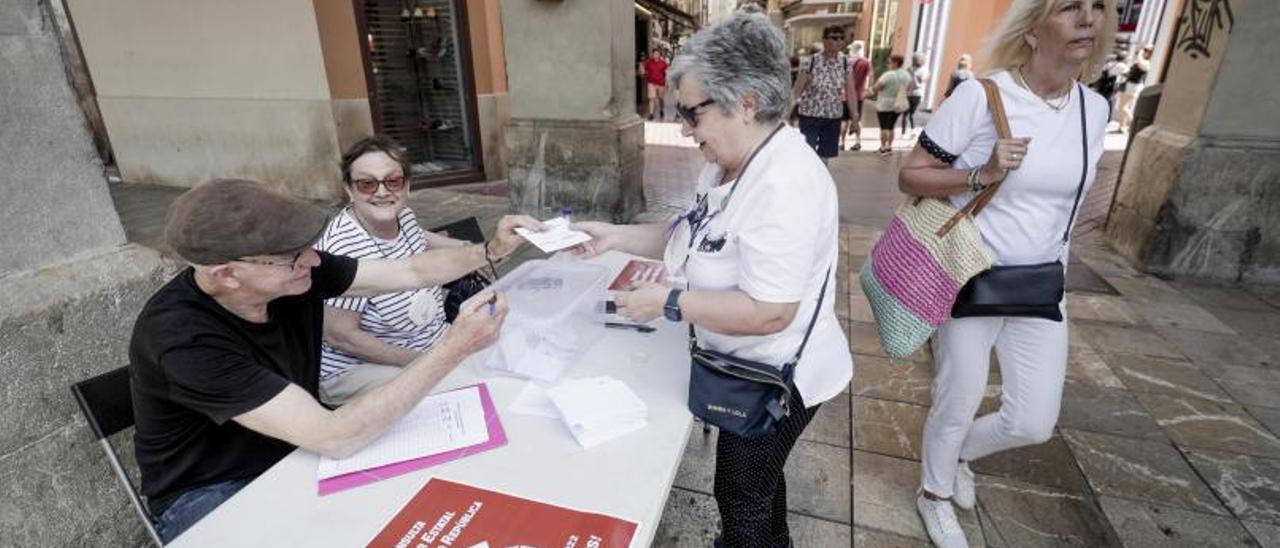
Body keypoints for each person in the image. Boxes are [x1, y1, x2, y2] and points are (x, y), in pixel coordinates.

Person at [571, 12, 852, 547]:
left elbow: (772, 311)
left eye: (692, 113)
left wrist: (670, 301)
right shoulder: (730, 164)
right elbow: (688, 233)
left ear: (745, 102)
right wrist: (611, 235)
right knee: (760, 481)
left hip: (780, 374)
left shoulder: (784, 182)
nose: (684, 129)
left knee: (740, 492)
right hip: (748, 364)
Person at [129, 178, 542, 542]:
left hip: (296, 451)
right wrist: (453, 347)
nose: (312, 259)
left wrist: (491, 250)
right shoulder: (181, 337)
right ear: (225, 275)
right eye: (293, 257)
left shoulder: (296, 271)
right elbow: (335, 435)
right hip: (211, 491)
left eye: (307, 249)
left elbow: (412, 271)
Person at [897, 0, 1113, 546]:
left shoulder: (1095, 109)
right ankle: (934, 492)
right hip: (970, 273)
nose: (1088, 18)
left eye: (1098, 7)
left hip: (1040, 283)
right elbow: (912, 175)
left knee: (1034, 421)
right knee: (959, 394)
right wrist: (981, 173)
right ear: (1035, 30)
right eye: (1070, 8)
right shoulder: (982, 95)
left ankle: (959, 456)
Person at [314, 136, 475, 406]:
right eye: (367, 183)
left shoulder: (403, 216)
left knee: (497, 352)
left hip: (427, 340)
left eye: (393, 181)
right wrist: (428, 363)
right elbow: (342, 337)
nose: (381, 192)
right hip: (358, 368)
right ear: (349, 190)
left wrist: (476, 249)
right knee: (458, 395)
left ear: (407, 185)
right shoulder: (343, 248)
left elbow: (422, 237)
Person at [791, 25, 859, 164]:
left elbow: (851, 92)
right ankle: (808, 180)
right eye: (834, 38)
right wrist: (784, 114)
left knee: (824, 156)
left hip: (832, 116)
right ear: (824, 40)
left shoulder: (846, 62)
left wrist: (855, 119)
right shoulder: (811, 62)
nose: (839, 41)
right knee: (808, 152)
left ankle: (819, 181)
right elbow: (797, 90)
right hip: (810, 115)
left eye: (841, 38)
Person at [869, 53, 913, 156]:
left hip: (884, 104)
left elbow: (877, 87)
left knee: (884, 127)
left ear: (895, 63)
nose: (889, 64)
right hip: (898, 104)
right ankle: (889, 146)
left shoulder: (888, 75)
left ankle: (883, 147)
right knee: (891, 126)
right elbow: (910, 88)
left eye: (890, 62)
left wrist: (870, 91)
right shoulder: (906, 75)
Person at [840, 40, 873, 151]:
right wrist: (867, 90)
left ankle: (841, 143)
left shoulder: (846, 61)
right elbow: (869, 78)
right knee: (856, 119)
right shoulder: (866, 62)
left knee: (844, 120)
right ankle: (858, 141)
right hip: (859, 95)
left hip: (845, 95)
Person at [1114, 44, 1150, 132]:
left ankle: (1133, 123)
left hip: (1134, 87)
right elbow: (1130, 72)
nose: (1143, 52)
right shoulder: (1140, 62)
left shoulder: (1146, 63)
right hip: (1128, 85)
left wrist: (1140, 52)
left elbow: (1141, 62)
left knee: (1123, 107)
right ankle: (1122, 127)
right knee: (1122, 106)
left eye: (1146, 51)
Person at [901, 52, 929, 136]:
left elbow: (906, 81)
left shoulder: (910, 69)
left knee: (906, 114)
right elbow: (924, 81)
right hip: (917, 94)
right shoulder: (925, 70)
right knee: (911, 114)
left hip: (910, 93)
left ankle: (904, 133)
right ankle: (911, 131)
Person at [641, 48, 670, 121]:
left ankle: (661, 110)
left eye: (657, 54)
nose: (655, 55)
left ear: (660, 55)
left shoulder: (663, 63)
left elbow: (667, 73)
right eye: (654, 54)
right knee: (652, 98)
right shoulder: (649, 62)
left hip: (661, 83)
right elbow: (643, 69)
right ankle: (651, 114)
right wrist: (643, 71)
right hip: (651, 83)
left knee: (661, 99)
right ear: (652, 54)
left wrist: (667, 83)